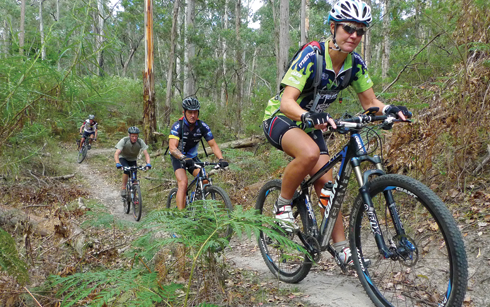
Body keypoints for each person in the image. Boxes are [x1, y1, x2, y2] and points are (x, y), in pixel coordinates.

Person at [261, 0, 410, 266]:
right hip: (282, 118)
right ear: (333, 27)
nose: (354, 35)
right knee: (308, 153)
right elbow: (287, 101)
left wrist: (389, 109)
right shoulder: (313, 54)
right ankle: (283, 204)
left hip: (312, 125)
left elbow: (370, 104)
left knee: (329, 188)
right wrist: (307, 115)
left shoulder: (355, 64)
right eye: (348, 28)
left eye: (360, 31)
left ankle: (341, 248)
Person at [168, 97, 228, 210]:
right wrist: (182, 157)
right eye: (190, 112)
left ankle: (195, 205)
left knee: (204, 180)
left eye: (195, 112)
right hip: (178, 157)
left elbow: (213, 145)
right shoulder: (178, 126)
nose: (193, 115)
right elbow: (172, 148)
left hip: (192, 157)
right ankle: (181, 218)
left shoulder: (202, 126)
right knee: (183, 183)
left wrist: (221, 159)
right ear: (184, 112)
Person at [114, 126, 152, 198]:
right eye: (133, 136)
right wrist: (117, 163)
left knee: (134, 177)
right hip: (123, 158)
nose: (134, 138)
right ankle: (124, 188)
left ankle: (134, 196)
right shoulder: (124, 140)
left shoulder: (140, 141)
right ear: (129, 135)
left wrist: (148, 164)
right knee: (127, 171)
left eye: (136, 136)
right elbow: (117, 153)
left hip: (133, 159)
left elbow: (146, 154)